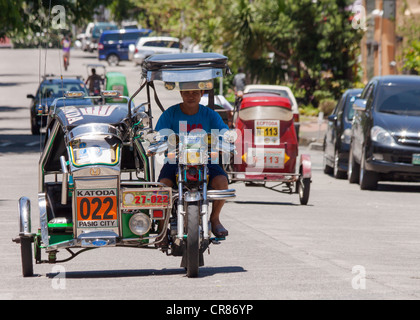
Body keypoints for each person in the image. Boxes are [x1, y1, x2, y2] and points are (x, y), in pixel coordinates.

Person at [154, 88, 230, 243]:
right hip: (175, 160)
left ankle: (215, 219)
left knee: (222, 182)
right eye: (187, 92)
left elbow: (224, 133)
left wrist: (227, 141)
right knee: (163, 186)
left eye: (195, 92)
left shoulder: (210, 115)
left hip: (205, 160)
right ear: (181, 93)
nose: (191, 96)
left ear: (201, 94)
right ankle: (162, 226)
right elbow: (159, 135)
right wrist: (157, 142)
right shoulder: (170, 113)